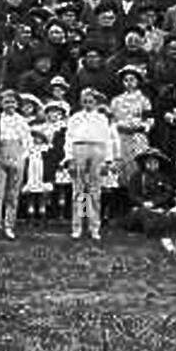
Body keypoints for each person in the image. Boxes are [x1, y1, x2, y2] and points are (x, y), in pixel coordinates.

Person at [0, 89, 33, 241]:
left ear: (17, 104)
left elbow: (27, 140)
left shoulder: (21, 121)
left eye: (12, 102)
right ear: (1, 104)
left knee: (13, 193)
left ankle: (9, 225)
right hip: (0, 154)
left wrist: (23, 156)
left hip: (16, 155)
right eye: (6, 102)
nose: (9, 105)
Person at [65, 87, 114, 240]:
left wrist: (108, 160)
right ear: (81, 102)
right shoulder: (75, 118)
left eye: (91, 101)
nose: (88, 104)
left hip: (97, 150)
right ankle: (77, 226)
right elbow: (69, 138)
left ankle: (94, 227)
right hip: (79, 149)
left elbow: (108, 140)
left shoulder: (102, 119)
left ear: (96, 102)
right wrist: (69, 158)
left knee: (94, 191)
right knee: (79, 190)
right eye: (85, 101)